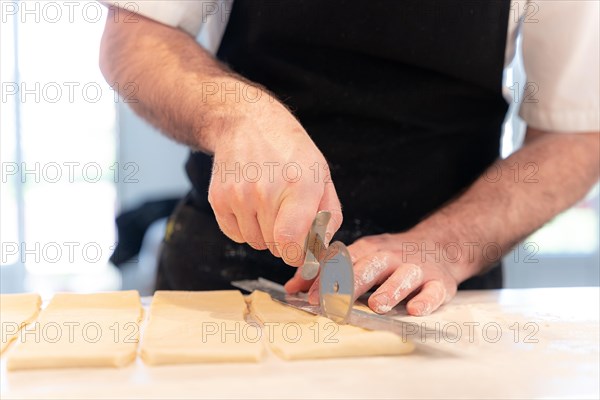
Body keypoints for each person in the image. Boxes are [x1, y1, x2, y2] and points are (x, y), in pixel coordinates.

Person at [99, 0, 599, 316]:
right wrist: (237, 114)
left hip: (433, 298)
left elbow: (578, 132)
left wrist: (448, 245)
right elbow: (136, 32)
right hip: (222, 280)